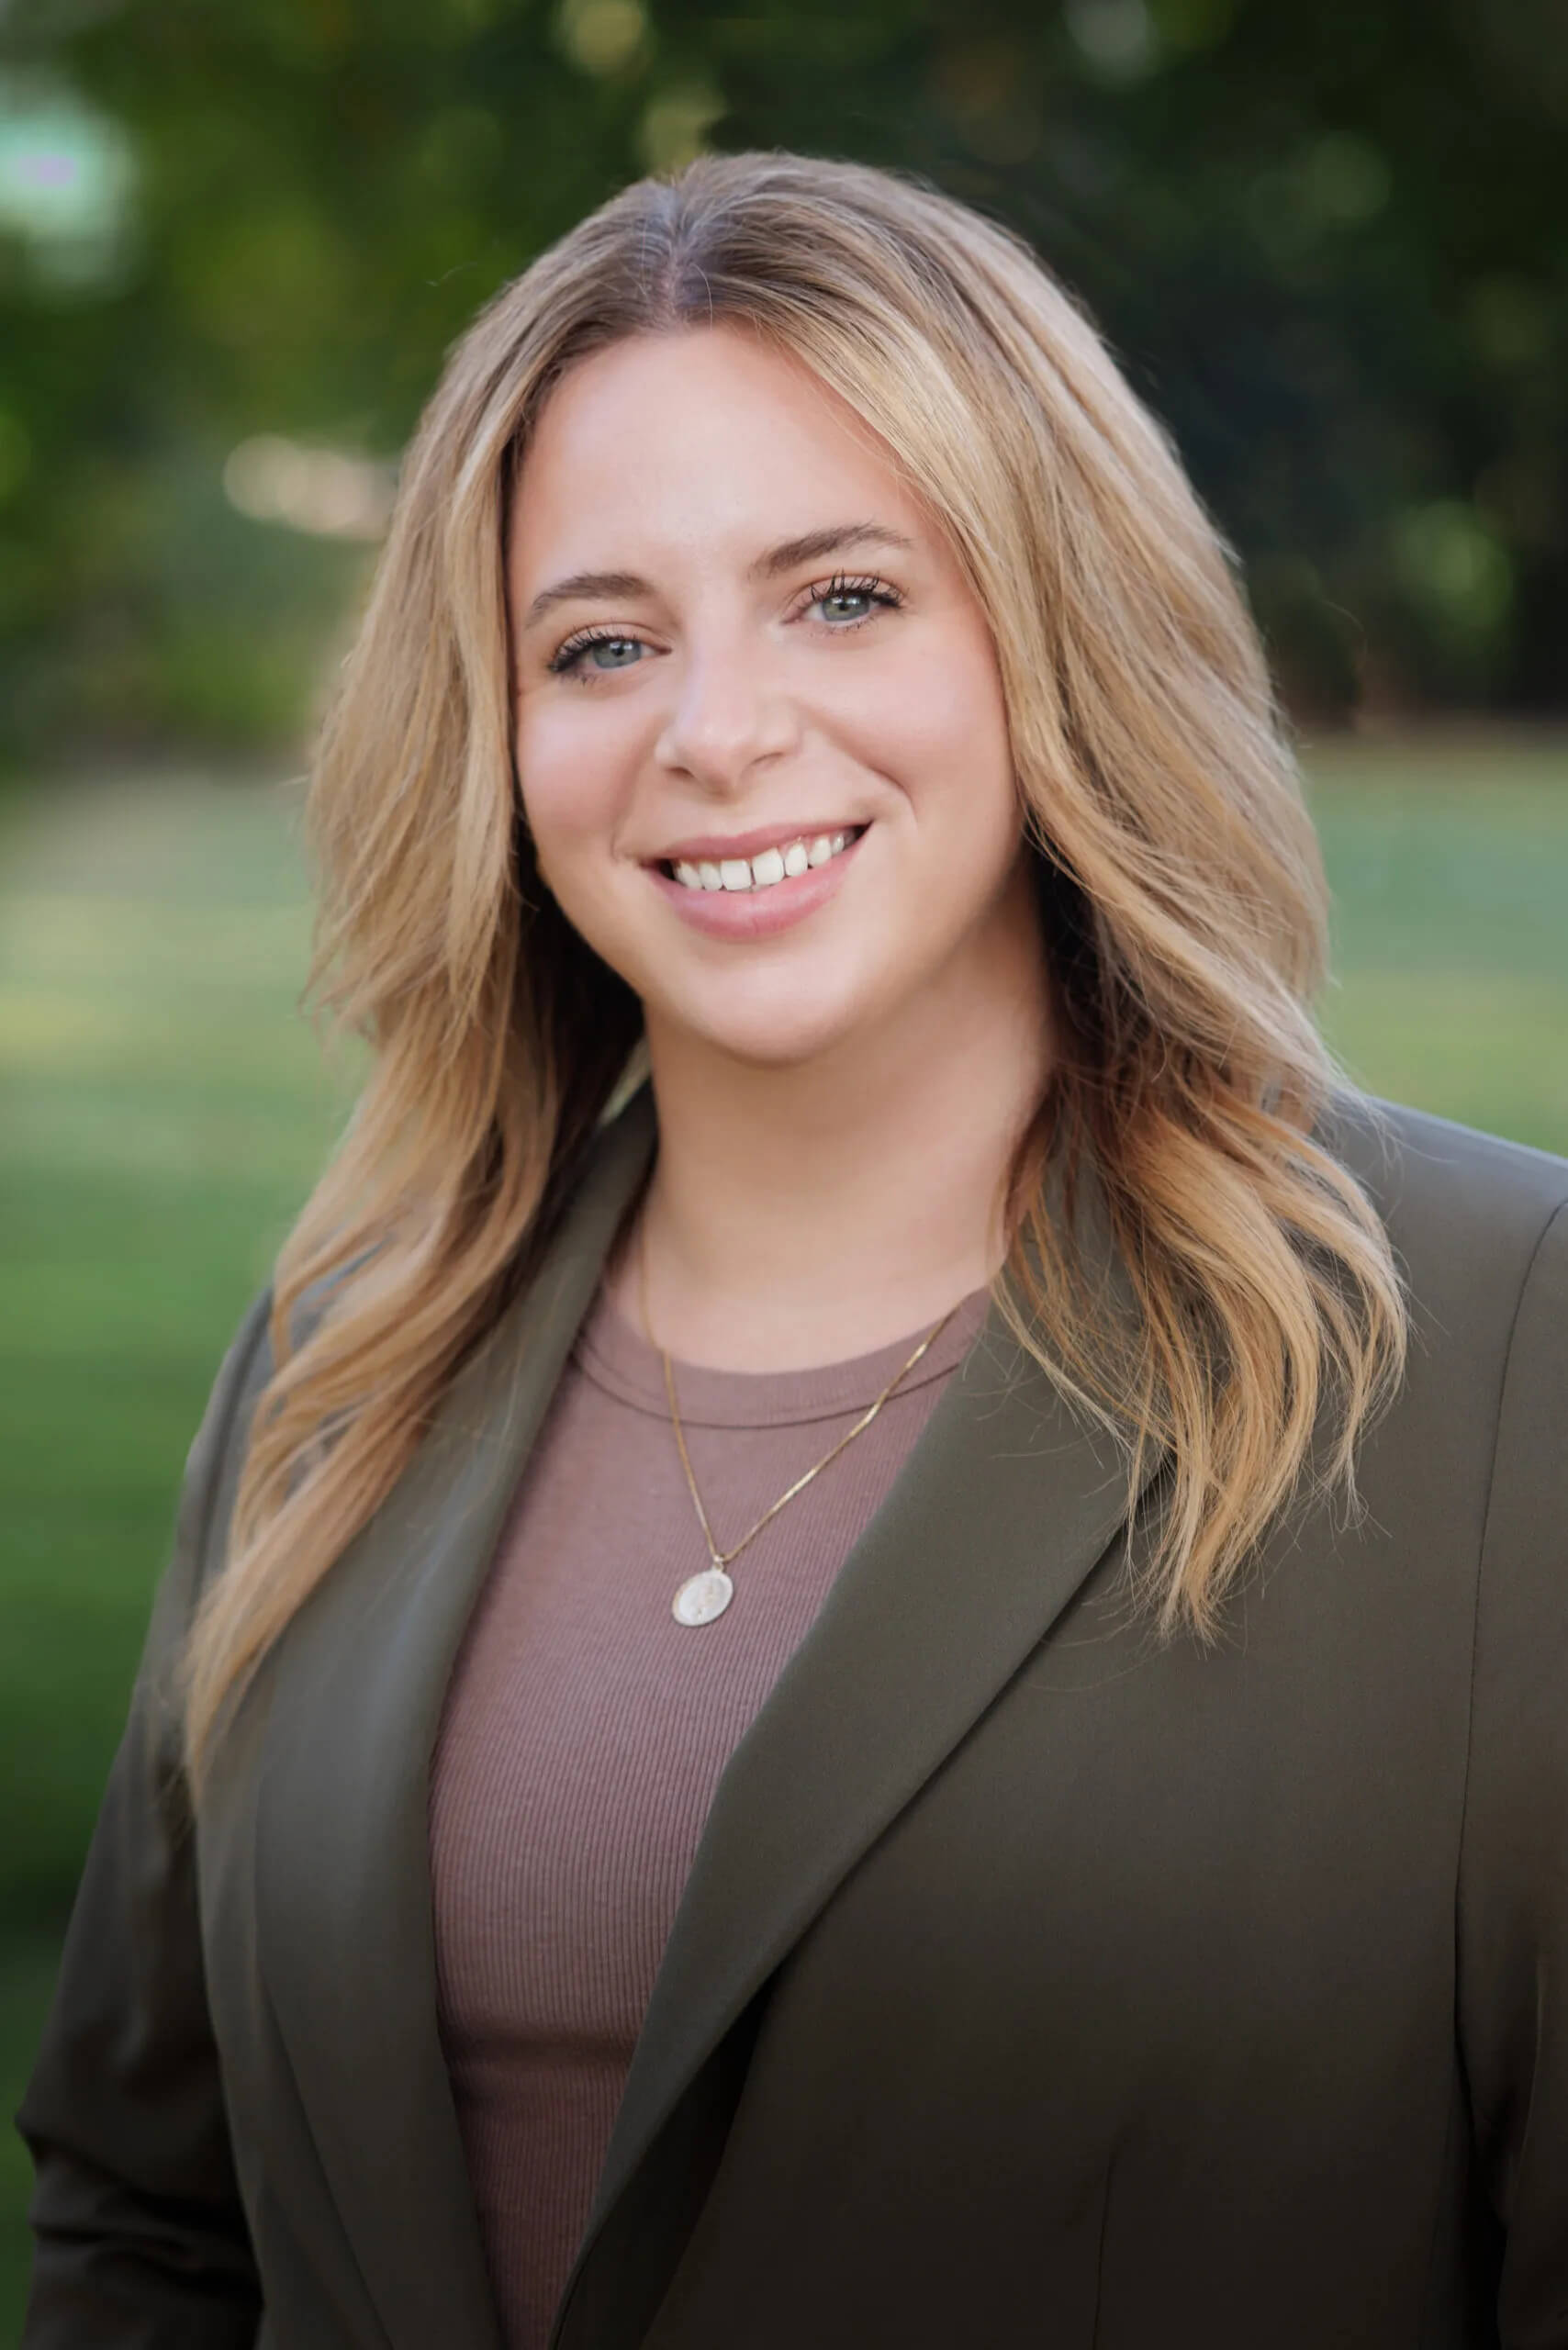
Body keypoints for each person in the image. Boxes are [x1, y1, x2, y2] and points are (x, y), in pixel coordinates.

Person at [17, 150, 1568, 2350]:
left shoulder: (1503, 1351)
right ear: (505, 727)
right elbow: (149, 2224)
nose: (714, 728)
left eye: (842, 596)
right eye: (603, 639)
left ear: (1054, 630)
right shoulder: (345, 1357)